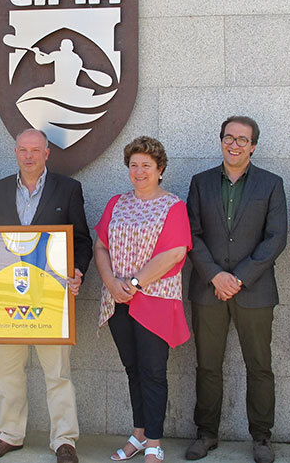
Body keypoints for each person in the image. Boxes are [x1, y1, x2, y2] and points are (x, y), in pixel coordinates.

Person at [0, 128, 92, 463]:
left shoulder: (68, 189)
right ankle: (9, 435)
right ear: (15, 152)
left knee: (58, 373)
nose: (29, 156)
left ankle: (64, 440)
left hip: (51, 298)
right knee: (6, 371)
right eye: (23, 149)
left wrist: (77, 271)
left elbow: (82, 240)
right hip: (6, 298)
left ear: (47, 153)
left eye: (35, 150)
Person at [185, 116, 287, 463]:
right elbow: (192, 234)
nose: (235, 144)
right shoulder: (200, 183)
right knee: (207, 365)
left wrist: (238, 278)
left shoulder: (271, 184)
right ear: (221, 141)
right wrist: (216, 275)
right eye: (229, 138)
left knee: (259, 366)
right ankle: (206, 433)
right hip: (208, 289)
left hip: (254, 291)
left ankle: (261, 437)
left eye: (242, 140)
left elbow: (276, 238)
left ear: (253, 146)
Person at [95, 136, 191, 463]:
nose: (139, 171)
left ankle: (154, 441)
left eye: (146, 165)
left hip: (155, 301)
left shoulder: (173, 206)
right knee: (132, 369)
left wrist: (134, 283)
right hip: (117, 299)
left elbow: (174, 252)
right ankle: (138, 434)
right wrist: (111, 282)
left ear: (160, 169)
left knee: (153, 371)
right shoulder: (116, 203)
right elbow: (100, 246)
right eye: (134, 165)